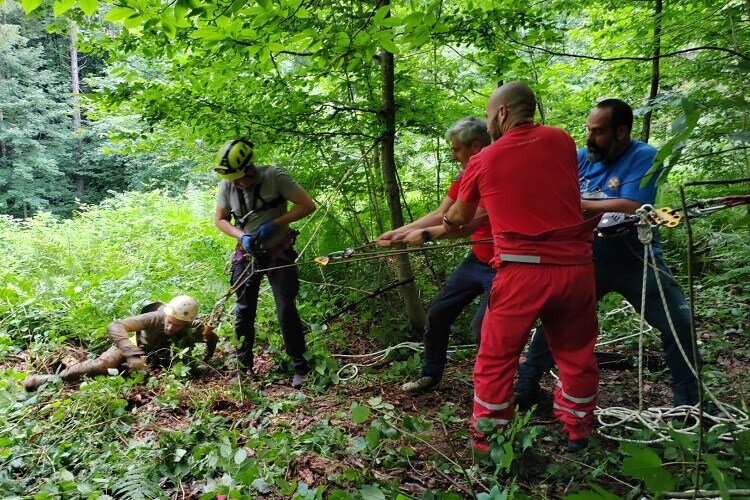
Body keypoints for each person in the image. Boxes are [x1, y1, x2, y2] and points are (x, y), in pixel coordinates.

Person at [443, 82, 600, 452]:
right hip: (575, 269)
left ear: (501, 114)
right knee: (576, 352)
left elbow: (460, 216)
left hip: (522, 272)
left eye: (488, 115)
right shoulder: (562, 140)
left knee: (496, 357)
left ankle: (488, 436)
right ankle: (578, 428)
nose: (489, 123)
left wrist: (448, 223)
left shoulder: (483, 159)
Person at [515, 99, 702, 407]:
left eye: (599, 132)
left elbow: (632, 204)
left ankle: (690, 404)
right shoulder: (581, 158)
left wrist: (579, 203)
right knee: (558, 315)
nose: (590, 138)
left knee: (678, 321)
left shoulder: (644, 156)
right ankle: (527, 384)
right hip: (590, 251)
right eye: (589, 130)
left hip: (635, 252)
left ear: (621, 132)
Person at [376, 117, 494, 392]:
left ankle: (489, 389)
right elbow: (443, 214)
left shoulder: (494, 172)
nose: (453, 156)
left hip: (503, 265)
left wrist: (427, 235)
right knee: (439, 312)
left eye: (456, 149)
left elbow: (469, 223)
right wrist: (399, 233)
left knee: (484, 328)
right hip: (477, 258)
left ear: (475, 147)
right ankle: (431, 374)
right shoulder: (464, 175)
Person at [213, 138, 316, 389]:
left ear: (250, 167)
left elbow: (307, 205)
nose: (237, 183)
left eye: (240, 177)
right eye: (233, 179)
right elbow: (220, 219)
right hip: (248, 252)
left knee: (285, 307)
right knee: (244, 308)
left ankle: (299, 365)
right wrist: (242, 236)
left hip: (279, 250)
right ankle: (243, 366)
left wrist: (277, 223)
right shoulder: (228, 185)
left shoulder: (275, 177)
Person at [23, 295, 217, 391]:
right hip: (131, 346)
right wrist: (131, 352)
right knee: (101, 365)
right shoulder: (154, 317)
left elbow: (212, 339)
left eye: (176, 326)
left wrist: (206, 359)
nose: (169, 328)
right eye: (168, 322)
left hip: (158, 360)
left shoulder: (195, 327)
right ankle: (47, 380)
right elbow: (116, 326)